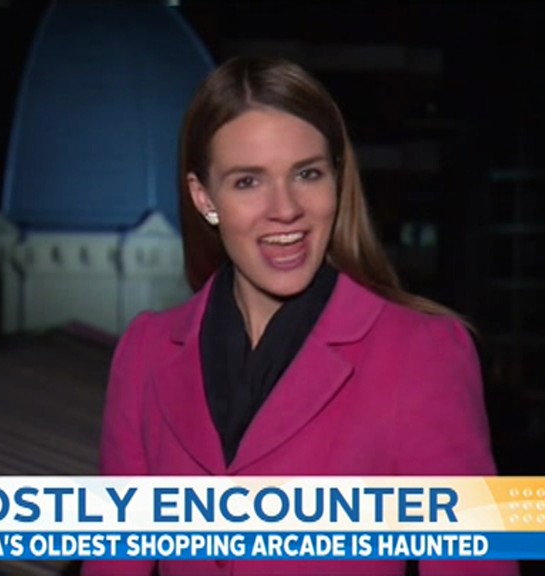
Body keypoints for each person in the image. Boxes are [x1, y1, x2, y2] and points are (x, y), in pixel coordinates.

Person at [83, 56, 519, 576]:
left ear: (337, 180)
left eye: (307, 174)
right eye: (248, 182)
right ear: (204, 198)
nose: (286, 208)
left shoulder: (422, 354)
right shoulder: (146, 353)